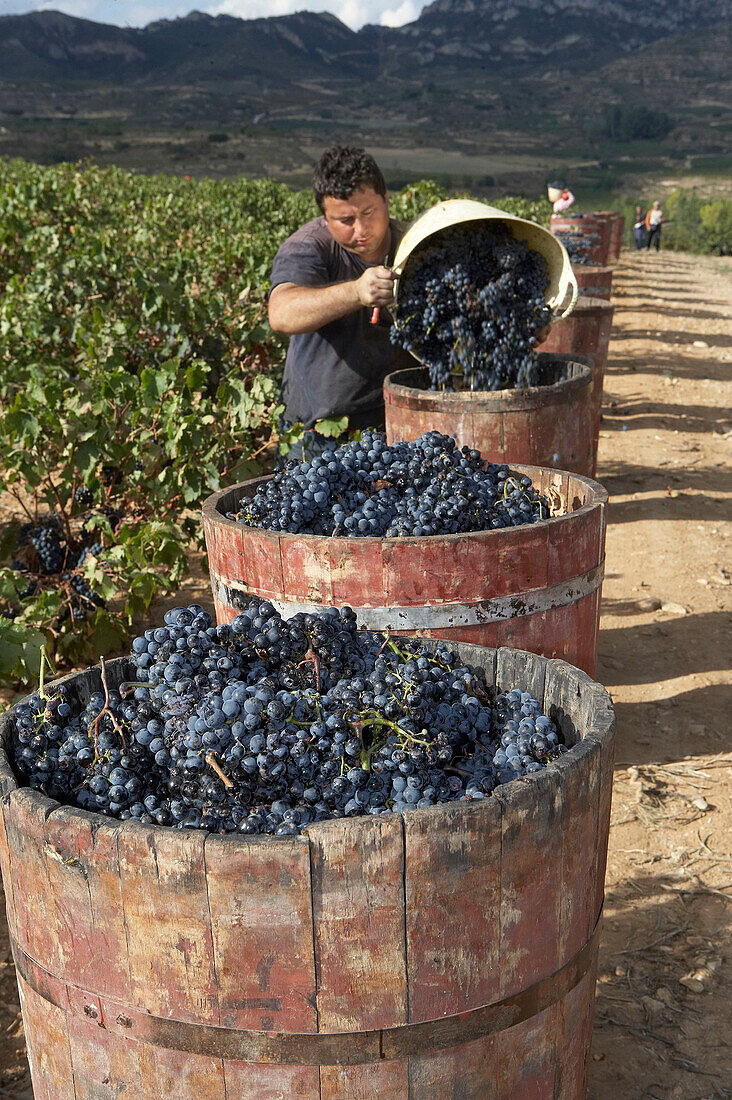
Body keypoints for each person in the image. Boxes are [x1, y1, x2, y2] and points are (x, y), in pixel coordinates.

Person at [268, 145, 412, 458]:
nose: (360, 230)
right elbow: (281, 313)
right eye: (345, 220)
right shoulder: (309, 248)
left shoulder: (414, 245)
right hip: (318, 431)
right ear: (325, 217)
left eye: (368, 212)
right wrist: (356, 292)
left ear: (387, 200)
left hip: (396, 425)